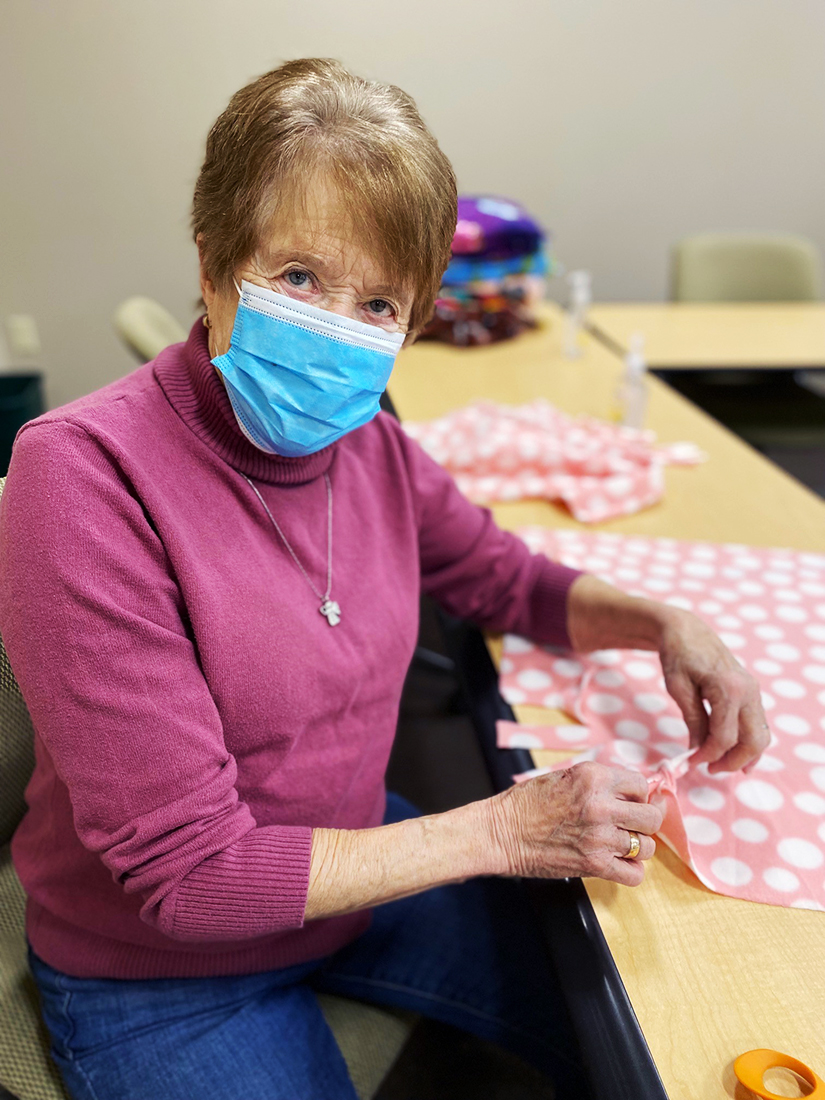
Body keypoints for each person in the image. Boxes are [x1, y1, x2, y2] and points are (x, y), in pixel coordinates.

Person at [0, 59, 769, 1100]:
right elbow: (189, 877)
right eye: (300, 277)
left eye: (377, 301)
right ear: (214, 262)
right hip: (167, 969)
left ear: (413, 322)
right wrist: (501, 829)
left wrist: (664, 622)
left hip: (358, 870)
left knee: (643, 1019)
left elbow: (503, 575)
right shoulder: (81, 475)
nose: (335, 327)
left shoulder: (373, 450)